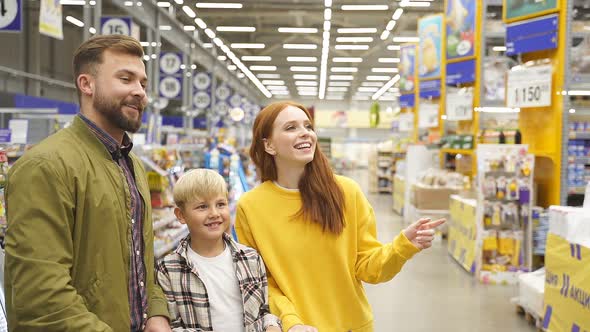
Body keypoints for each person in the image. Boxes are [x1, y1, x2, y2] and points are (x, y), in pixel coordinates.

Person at [4, 35, 171, 332]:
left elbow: (141, 263)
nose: (140, 92)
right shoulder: (46, 166)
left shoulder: (131, 164)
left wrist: (156, 312)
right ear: (87, 84)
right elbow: (41, 298)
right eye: (126, 79)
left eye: (143, 84)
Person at [235, 101, 446, 332]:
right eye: (291, 128)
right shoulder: (250, 207)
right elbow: (262, 283)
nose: (305, 133)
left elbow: (367, 268)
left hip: (352, 326)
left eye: (307, 126)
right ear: (269, 146)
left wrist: (402, 246)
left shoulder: (346, 192)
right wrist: (291, 322)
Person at [156, 169, 281, 332]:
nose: (214, 213)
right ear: (181, 215)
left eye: (221, 204)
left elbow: (263, 310)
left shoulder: (251, 259)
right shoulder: (169, 269)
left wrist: (271, 324)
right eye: (202, 207)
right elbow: (174, 326)